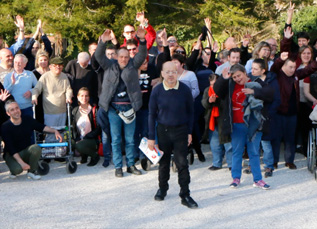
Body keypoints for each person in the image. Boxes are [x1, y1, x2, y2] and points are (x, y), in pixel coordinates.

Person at [94, 28, 147, 177]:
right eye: (121, 56)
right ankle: (118, 166)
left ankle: (130, 165)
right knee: (116, 139)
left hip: (130, 107)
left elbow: (142, 54)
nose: (124, 59)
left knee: (130, 139)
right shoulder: (109, 65)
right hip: (113, 109)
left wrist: (142, 40)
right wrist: (103, 42)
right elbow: (98, 55)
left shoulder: (133, 65)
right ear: (116, 56)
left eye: (126, 57)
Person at [213, 64, 273, 190]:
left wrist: (254, 92)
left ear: (245, 72)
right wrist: (223, 78)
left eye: (239, 75)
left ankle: (258, 179)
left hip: (253, 125)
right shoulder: (230, 85)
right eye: (234, 77)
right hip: (236, 124)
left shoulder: (255, 82)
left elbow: (270, 95)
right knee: (237, 152)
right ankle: (236, 178)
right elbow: (217, 91)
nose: (237, 79)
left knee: (254, 152)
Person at [148, 61, 198, 209]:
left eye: (173, 71)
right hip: (163, 131)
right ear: (162, 74)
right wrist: (151, 137)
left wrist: (189, 132)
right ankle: (162, 188)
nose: (171, 74)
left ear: (177, 73)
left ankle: (185, 194)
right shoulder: (157, 91)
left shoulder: (184, 89)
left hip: (181, 131)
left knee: (182, 163)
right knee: (163, 163)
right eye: (167, 72)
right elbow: (151, 114)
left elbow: (191, 113)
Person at [270, 52, 317, 169]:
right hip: (278, 112)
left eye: (294, 67)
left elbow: (307, 70)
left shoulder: (296, 75)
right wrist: (280, 59)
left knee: (290, 138)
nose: (293, 69)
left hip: (293, 112)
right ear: (283, 66)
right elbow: (274, 66)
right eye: (290, 67)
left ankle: (289, 160)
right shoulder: (277, 74)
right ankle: (273, 161)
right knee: (276, 138)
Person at [1, 100, 62, 180]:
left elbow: (41, 127)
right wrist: (22, 163)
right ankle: (13, 170)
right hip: (11, 155)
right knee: (17, 169)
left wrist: (54, 131)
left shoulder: (27, 119)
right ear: (8, 113)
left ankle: (32, 171)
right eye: (12, 110)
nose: (16, 111)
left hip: (25, 151)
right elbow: (11, 148)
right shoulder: (5, 127)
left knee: (35, 148)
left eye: (17, 108)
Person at [32, 57, 73, 128]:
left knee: (61, 132)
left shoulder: (64, 76)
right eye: (55, 65)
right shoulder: (45, 77)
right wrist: (34, 97)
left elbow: (68, 89)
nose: (58, 67)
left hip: (62, 110)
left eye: (60, 65)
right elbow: (36, 89)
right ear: (50, 66)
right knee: (51, 134)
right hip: (49, 111)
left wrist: (68, 97)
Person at [202, 73, 232, 170]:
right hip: (212, 121)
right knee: (214, 144)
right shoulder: (208, 91)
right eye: (211, 84)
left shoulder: (225, 90)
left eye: (215, 84)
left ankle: (231, 164)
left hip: (224, 119)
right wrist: (209, 101)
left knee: (228, 144)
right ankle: (217, 163)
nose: (213, 87)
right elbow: (204, 104)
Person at [71, 87, 101, 166]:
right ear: (78, 97)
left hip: (92, 139)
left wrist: (86, 137)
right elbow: (73, 128)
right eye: (82, 96)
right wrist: (76, 138)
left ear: (89, 97)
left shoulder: (94, 110)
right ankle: (84, 154)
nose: (84, 98)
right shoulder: (75, 111)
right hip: (80, 138)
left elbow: (99, 128)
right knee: (70, 143)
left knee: (79, 145)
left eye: (86, 96)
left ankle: (95, 156)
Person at [32, 50, 50, 124]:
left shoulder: (51, 71)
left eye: (45, 60)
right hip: (38, 99)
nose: (43, 62)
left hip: (50, 98)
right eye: (41, 60)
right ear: (37, 61)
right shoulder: (33, 73)